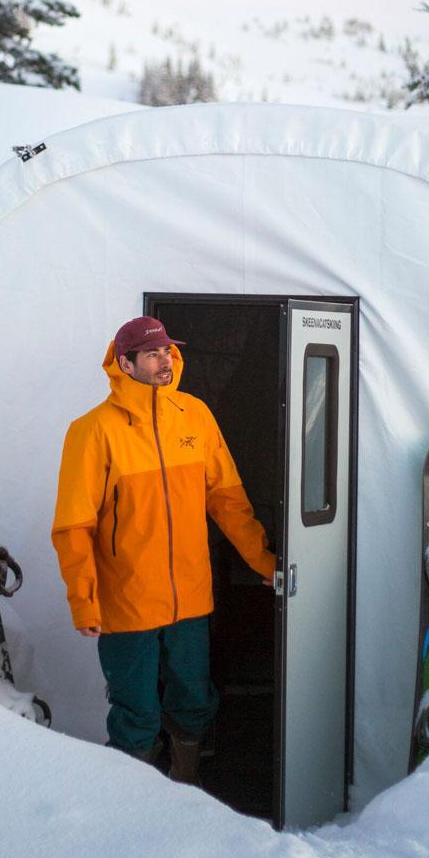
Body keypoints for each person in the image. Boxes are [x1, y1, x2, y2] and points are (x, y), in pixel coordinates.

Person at [51, 315, 276, 782]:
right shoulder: (93, 431)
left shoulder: (194, 415)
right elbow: (74, 527)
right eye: (152, 354)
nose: (164, 361)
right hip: (126, 602)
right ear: (125, 363)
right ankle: (136, 799)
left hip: (190, 596)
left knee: (193, 699)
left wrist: (265, 561)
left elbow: (227, 500)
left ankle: (185, 782)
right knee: (136, 713)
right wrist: (84, 599)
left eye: (168, 352)